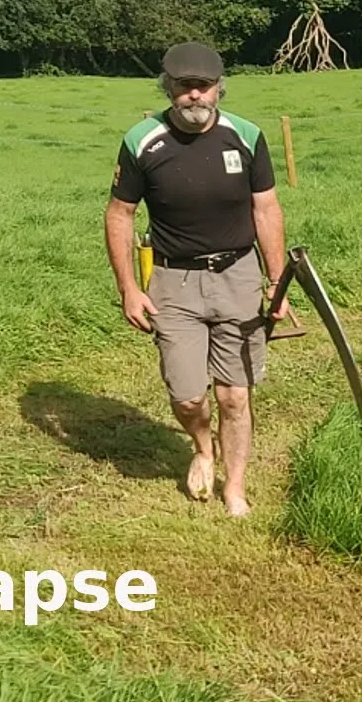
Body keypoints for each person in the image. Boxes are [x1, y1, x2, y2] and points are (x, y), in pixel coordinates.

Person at [104, 42, 289, 517]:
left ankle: (235, 488)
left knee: (235, 395)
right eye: (185, 86)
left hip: (238, 276)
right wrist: (129, 289)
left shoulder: (245, 136)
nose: (194, 95)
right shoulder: (142, 141)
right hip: (173, 281)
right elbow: (120, 215)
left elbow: (266, 208)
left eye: (203, 86)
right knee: (188, 398)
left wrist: (276, 282)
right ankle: (203, 448)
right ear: (168, 88)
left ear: (218, 88)